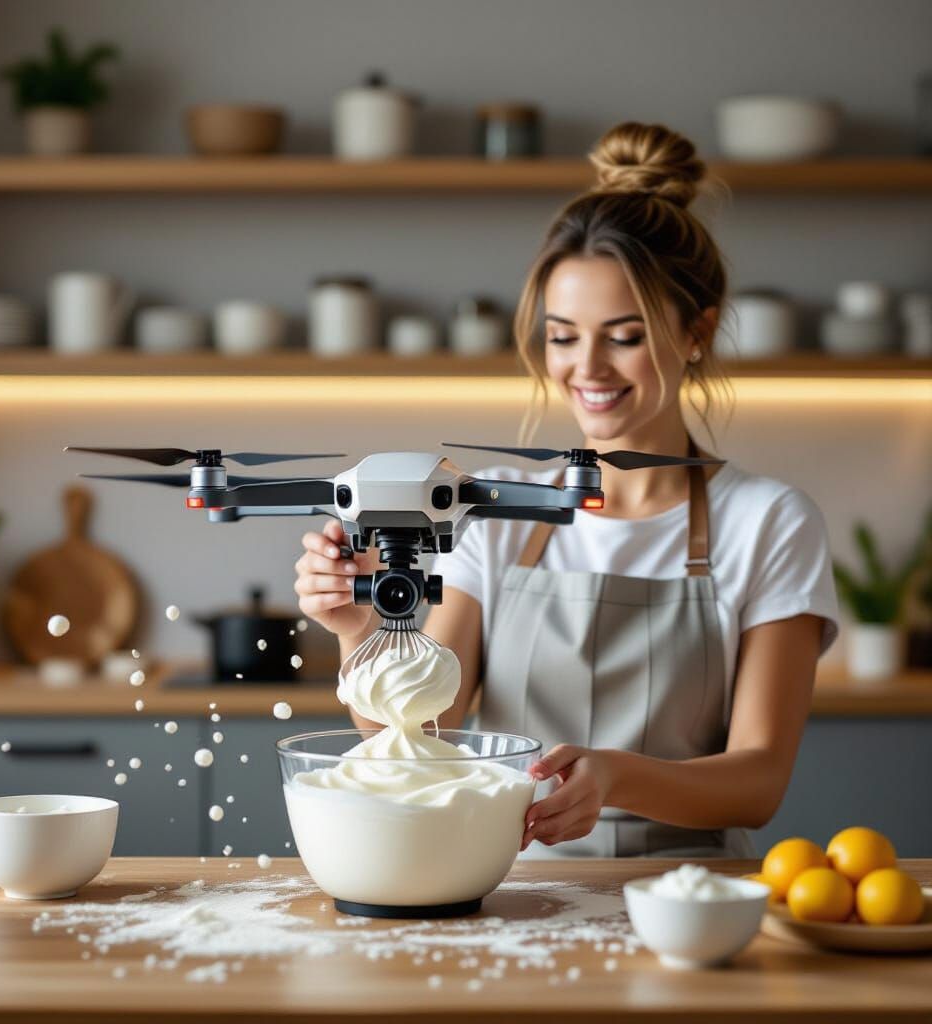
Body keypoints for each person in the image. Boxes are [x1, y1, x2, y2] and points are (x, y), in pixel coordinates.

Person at [294, 122, 839, 858]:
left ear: (697, 332)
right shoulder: (493, 509)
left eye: (625, 334)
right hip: (507, 885)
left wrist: (614, 776)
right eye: (562, 335)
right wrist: (359, 632)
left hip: (689, 899)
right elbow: (424, 734)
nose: (588, 368)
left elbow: (758, 783)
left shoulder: (769, 520)